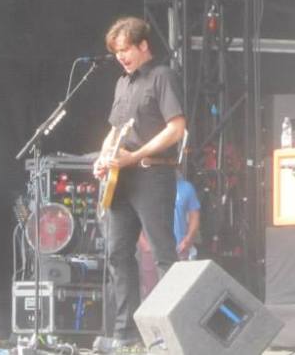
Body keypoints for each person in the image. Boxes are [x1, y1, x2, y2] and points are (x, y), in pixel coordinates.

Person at [93, 17, 186, 354]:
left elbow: (176, 128)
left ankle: (170, 335)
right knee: (117, 252)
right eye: (116, 52)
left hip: (152, 174)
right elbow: (114, 130)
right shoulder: (122, 83)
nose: (121, 57)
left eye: (125, 49)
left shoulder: (162, 76)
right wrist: (103, 157)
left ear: (143, 45)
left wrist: (136, 155)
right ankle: (125, 334)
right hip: (122, 179)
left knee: (162, 252)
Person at [173, 175, 201, 260]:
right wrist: (144, 243)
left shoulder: (186, 187)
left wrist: (188, 239)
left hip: (181, 249)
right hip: (155, 250)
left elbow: (194, 217)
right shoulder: (150, 186)